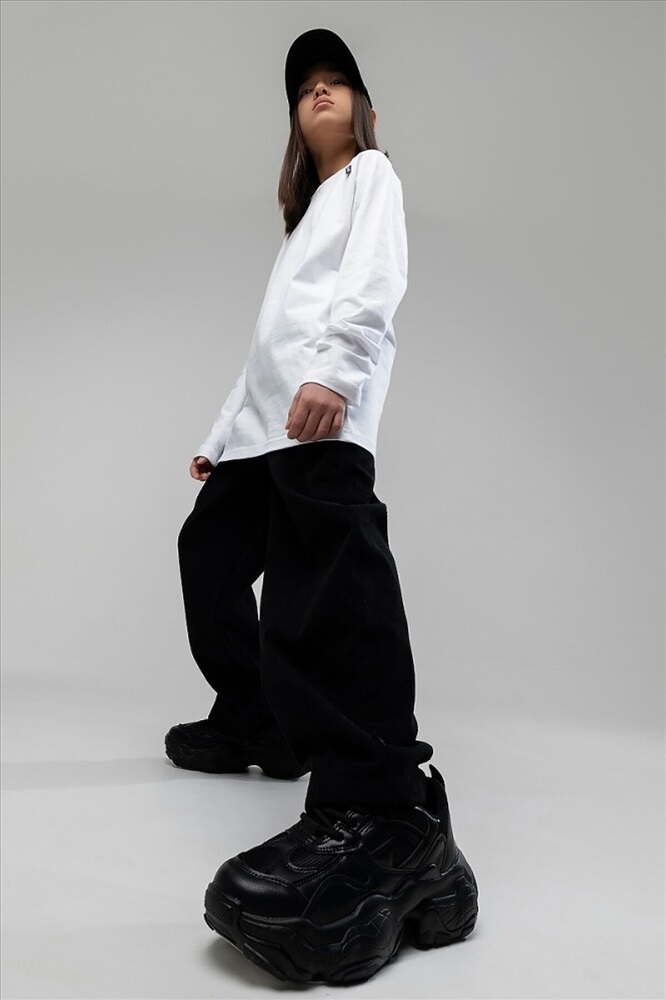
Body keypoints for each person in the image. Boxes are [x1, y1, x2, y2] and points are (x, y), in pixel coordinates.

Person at [167, 27, 479, 985]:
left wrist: (338, 375)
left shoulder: (371, 179)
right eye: (306, 88)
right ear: (296, 129)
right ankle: (255, 718)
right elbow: (266, 344)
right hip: (262, 428)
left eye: (337, 82)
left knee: (324, 588)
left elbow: (376, 280)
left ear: (366, 111)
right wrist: (222, 433)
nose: (319, 93)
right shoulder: (302, 221)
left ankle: (383, 802)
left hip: (319, 416)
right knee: (207, 556)